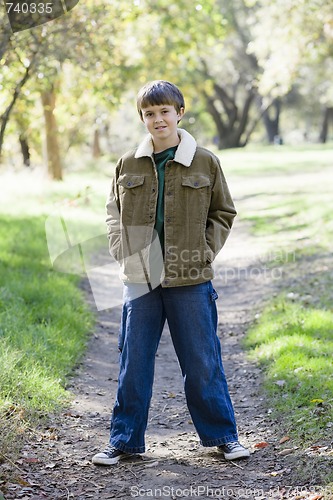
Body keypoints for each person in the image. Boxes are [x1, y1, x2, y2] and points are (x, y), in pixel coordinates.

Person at [92, 80, 250, 465]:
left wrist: (204, 250)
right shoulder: (128, 163)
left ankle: (223, 437)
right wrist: (120, 249)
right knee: (134, 363)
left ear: (179, 112)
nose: (157, 119)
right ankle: (124, 440)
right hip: (140, 279)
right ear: (143, 119)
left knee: (202, 362)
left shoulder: (205, 161)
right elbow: (113, 212)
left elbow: (223, 213)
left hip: (190, 279)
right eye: (149, 113)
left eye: (165, 111)